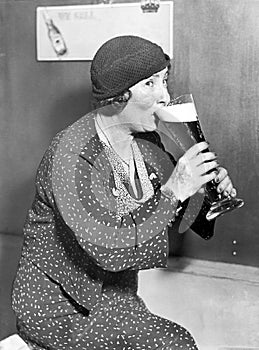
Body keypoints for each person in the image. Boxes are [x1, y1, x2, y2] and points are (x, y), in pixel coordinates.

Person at [12, 35, 237, 350]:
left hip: (116, 297)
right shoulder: (70, 156)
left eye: (165, 81)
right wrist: (174, 190)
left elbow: (186, 216)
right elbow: (109, 248)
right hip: (59, 307)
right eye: (150, 84)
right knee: (177, 345)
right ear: (118, 96)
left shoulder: (147, 144)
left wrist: (205, 193)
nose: (165, 96)